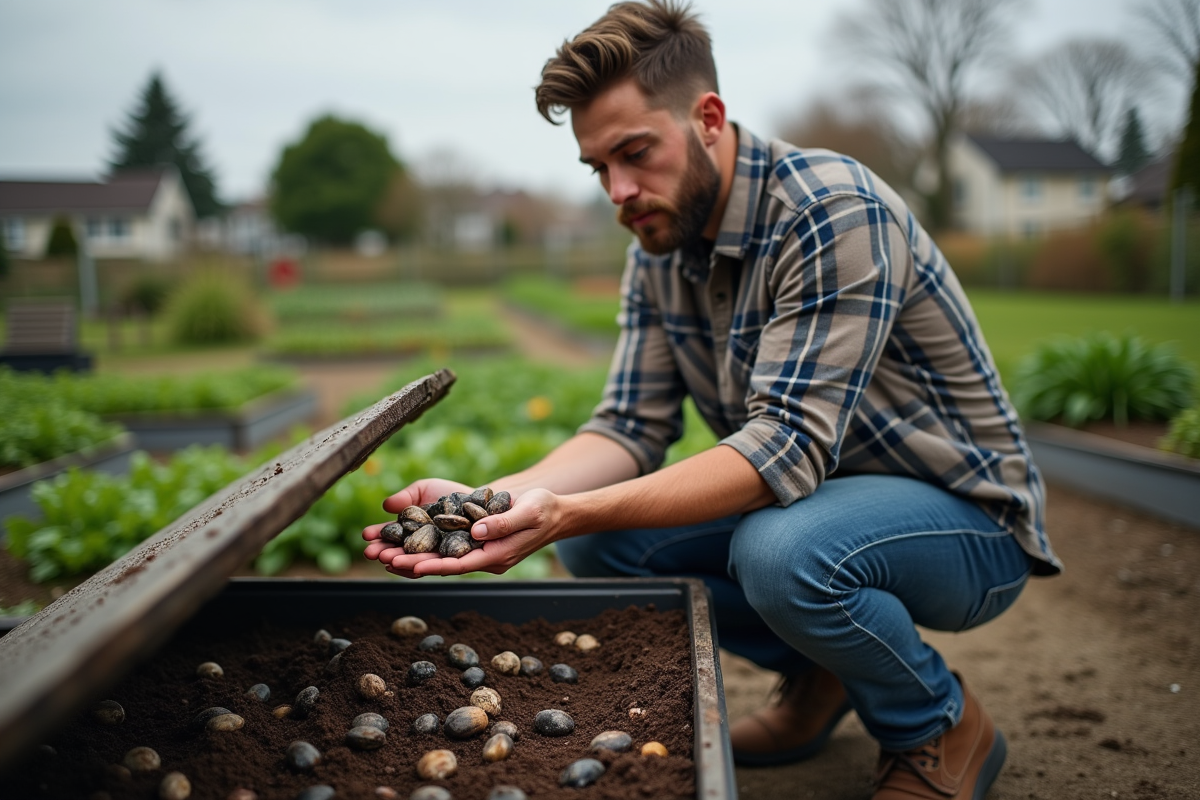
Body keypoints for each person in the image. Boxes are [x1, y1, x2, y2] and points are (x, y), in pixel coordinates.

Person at [363, 2, 1061, 797]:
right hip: (826, 506)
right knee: (595, 548)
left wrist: (575, 508)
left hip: (968, 522)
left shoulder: (830, 211)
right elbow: (630, 425)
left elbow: (786, 449)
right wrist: (495, 505)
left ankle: (938, 724)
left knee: (779, 550)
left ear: (708, 117)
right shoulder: (658, 245)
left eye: (635, 153)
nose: (620, 191)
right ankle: (823, 671)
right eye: (599, 168)